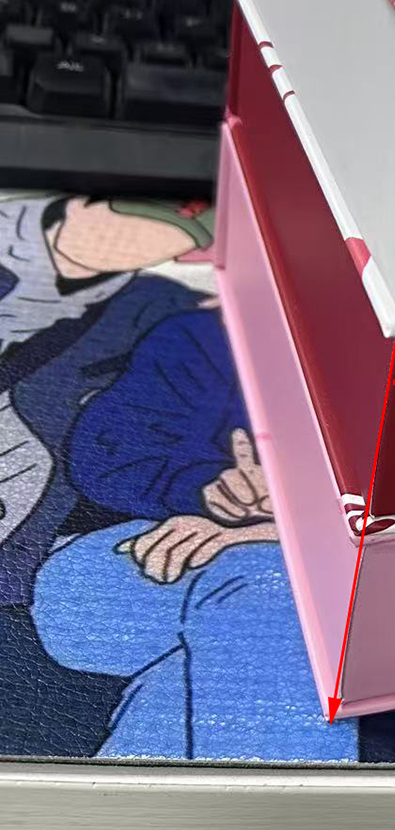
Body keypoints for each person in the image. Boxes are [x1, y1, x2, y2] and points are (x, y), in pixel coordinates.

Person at [30, 307, 357, 760]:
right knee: (270, 592)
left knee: (257, 598)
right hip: (137, 557)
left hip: (313, 571)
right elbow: (106, 452)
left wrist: (286, 528)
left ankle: (145, 799)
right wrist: (207, 488)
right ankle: (283, 798)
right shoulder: (211, 335)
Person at [0, 195, 214, 756]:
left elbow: (125, 444)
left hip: (27, 563)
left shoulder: (156, 307)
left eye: (178, 237)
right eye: (135, 224)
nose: (139, 244)